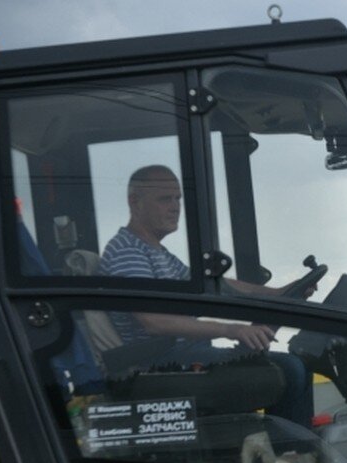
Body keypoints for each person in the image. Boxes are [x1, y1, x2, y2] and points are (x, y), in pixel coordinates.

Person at [99, 164, 314, 426]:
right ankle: (291, 455)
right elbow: (154, 322)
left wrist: (278, 293)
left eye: (178, 198)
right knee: (289, 369)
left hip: (185, 355)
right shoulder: (126, 251)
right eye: (165, 199)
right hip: (159, 365)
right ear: (135, 202)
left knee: (297, 363)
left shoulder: (159, 254)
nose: (176, 206)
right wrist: (230, 330)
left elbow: (214, 286)